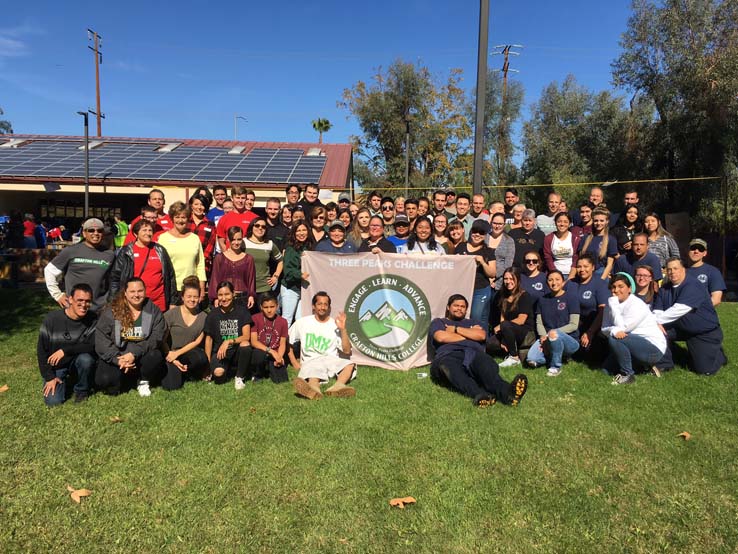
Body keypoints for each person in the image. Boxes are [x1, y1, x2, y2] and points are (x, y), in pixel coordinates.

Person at [429, 294, 528, 407]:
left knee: (488, 373)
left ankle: (509, 394)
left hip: (474, 354)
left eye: (462, 306)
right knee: (451, 369)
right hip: (449, 355)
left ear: (466, 309)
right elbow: (441, 337)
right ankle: (480, 394)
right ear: (448, 307)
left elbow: (481, 335)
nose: (459, 309)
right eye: (456, 306)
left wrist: (455, 330)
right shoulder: (439, 322)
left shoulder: (474, 323)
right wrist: (470, 333)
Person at [653, 257, 727, 376]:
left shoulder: (693, 285)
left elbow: (679, 309)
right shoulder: (664, 289)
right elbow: (657, 310)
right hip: (680, 328)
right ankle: (665, 364)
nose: (672, 272)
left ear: (684, 270)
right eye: (669, 269)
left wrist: (654, 321)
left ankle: (719, 356)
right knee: (654, 331)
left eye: (676, 268)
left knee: (704, 371)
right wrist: (655, 323)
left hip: (703, 332)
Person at [95, 277, 166, 397]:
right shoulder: (112, 310)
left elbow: (157, 336)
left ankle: (143, 380)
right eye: (132, 292)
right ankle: (124, 378)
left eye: (140, 291)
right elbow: (101, 338)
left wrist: (134, 353)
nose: (137, 295)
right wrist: (117, 359)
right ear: (125, 294)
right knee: (106, 382)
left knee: (155, 355)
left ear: (145, 291)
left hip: (141, 355)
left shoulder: (153, 310)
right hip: (118, 356)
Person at [601, 273, 667, 385]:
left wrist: (614, 308)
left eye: (621, 286)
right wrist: (614, 330)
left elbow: (623, 328)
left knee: (615, 339)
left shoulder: (637, 305)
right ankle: (644, 367)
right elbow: (604, 328)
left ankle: (627, 375)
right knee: (605, 371)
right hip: (630, 342)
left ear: (629, 289)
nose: (616, 290)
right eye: (613, 287)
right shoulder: (611, 303)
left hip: (653, 348)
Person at [289, 291, 357, 399]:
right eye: (320, 304)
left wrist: (343, 329)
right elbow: (288, 341)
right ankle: (313, 390)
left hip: (330, 360)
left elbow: (347, 351)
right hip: (311, 360)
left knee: (349, 365)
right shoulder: (302, 323)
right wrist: (294, 362)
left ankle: (337, 387)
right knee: (313, 373)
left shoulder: (334, 324)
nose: (323, 307)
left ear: (329, 308)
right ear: (313, 306)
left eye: (326, 304)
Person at [37, 283, 97, 406]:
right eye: (79, 300)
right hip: (57, 367)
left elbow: (92, 345)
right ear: (70, 299)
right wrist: (49, 377)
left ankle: (82, 390)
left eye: (87, 301)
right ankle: (61, 380)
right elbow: (41, 350)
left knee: (86, 359)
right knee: (53, 402)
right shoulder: (52, 319)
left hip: (77, 362)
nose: (84, 305)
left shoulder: (92, 319)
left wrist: (65, 351)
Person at [44, 217, 115, 312]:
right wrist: (57, 295)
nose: (96, 233)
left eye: (99, 230)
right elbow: (49, 271)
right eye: (91, 230)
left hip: (100, 309)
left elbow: (114, 280)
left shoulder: (109, 254)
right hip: (75, 309)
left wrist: (110, 301)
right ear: (84, 233)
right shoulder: (70, 251)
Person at [109, 219, 177, 313]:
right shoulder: (126, 252)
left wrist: (173, 301)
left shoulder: (160, 250)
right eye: (144, 230)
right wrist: (114, 301)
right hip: (134, 303)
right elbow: (115, 278)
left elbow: (170, 276)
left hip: (158, 303)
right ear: (136, 234)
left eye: (150, 230)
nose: (148, 233)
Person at [526, 270, 581, 376]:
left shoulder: (572, 298)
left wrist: (551, 333)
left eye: (557, 279)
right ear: (547, 283)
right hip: (547, 338)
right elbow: (539, 322)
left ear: (563, 282)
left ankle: (555, 366)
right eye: (550, 280)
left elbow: (574, 325)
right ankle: (555, 356)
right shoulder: (542, 300)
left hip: (570, 340)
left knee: (554, 334)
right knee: (531, 360)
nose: (554, 283)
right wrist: (543, 336)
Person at [204, 280, 254, 389]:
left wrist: (229, 341)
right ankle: (225, 370)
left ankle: (239, 377)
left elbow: (246, 336)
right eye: (220, 295)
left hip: (237, 352)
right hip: (220, 353)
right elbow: (209, 340)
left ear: (233, 294)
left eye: (227, 294)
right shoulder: (212, 315)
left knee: (245, 344)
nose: (224, 298)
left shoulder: (242, 311)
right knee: (219, 375)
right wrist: (207, 364)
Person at [162, 277, 208, 390]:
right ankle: (174, 370)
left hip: (187, 353)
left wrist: (178, 354)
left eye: (195, 297)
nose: (192, 300)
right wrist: (172, 356)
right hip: (169, 353)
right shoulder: (171, 314)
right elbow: (162, 340)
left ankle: (187, 372)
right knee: (172, 386)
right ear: (182, 297)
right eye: (189, 296)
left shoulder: (204, 317)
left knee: (201, 358)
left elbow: (197, 341)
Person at [157, 202, 206, 302]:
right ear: (172, 218)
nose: (180, 220)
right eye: (177, 217)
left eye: (183, 217)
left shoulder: (195, 239)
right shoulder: (163, 239)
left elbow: (200, 265)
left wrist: (202, 288)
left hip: (191, 289)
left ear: (188, 219)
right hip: (170, 289)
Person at [487, 268, 535, 368]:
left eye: (511, 278)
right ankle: (509, 351)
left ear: (517, 279)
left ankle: (514, 357)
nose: (508, 281)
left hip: (524, 330)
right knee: (490, 343)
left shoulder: (525, 296)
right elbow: (502, 317)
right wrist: (503, 334)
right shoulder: (503, 296)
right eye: (505, 278)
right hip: (508, 328)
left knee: (505, 325)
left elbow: (521, 320)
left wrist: (502, 327)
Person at [454, 220, 496, 324]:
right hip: (462, 288)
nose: (477, 234)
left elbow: (492, 273)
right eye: (475, 231)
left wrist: (482, 262)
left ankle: (481, 339)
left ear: (485, 235)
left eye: (481, 232)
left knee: (476, 318)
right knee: (461, 317)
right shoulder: (460, 247)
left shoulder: (488, 251)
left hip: (480, 289)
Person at [570, 253, 609, 357]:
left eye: (586, 266)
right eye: (579, 266)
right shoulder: (571, 283)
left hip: (594, 324)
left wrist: (590, 332)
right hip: (574, 324)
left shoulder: (600, 284)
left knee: (590, 354)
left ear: (593, 267)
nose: (582, 269)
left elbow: (603, 311)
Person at [209, 226, 256, 309]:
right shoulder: (220, 258)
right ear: (228, 239)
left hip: (242, 298)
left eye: (239, 239)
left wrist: (251, 295)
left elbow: (251, 279)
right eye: (233, 239)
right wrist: (215, 297)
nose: (236, 242)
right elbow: (215, 278)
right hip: (224, 299)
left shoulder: (248, 259)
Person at [250, 292, 289, 383]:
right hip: (261, 351)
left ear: (277, 306)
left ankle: (269, 369)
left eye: (272, 307)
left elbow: (282, 343)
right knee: (258, 354)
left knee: (281, 380)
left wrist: (279, 357)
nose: (269, 310)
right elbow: (254, 342)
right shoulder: (255, 318)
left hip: (275, 354)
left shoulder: (283, 321)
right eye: (266, 307)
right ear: (261, 307)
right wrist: (271, 351)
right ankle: (257, 374)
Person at [243, 217, 283, 306]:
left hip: (264, 288)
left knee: (264, 318)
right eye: (257, 225)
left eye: (263, 227)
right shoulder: (243, 242)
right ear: (251, 227)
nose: (260, 228)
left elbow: (281, 261)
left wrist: (275, 276)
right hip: (246, 288)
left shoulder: (269, 244)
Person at [281, 222, 314, 326]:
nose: (301, 233)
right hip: (290, 289)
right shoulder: (290, 249)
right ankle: (283, 342)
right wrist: (299, 275)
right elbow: (288, 271)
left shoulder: (310, 247)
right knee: (287, 319)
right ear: (294, 233)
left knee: (300, 319)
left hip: (304, 290)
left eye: (304, 230)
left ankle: (295, 342)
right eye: (298, 230)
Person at [578, 206, 617, 279]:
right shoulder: (585, 238)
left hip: (601, 274)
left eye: (602, 221)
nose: (598, 223)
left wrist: (602, 279)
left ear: (607, 221)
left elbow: (609, 264)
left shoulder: (611, 239)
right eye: (596, 220)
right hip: (585, 274)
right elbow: (580, 258)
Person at [216, 186, 258, 252]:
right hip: (230, 259)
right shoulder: (224, 219)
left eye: (243, 198)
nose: (240, 201)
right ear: (232, 198)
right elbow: (221, 241)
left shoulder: (254, 218)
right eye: (237, 198)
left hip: (249, 257)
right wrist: (227, 256)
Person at [686, 238, 726, 306]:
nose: (696, 251)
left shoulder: (713, 272)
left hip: (701, 313)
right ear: (688, 250)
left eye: (700, 249)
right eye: (693, 248)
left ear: (705, 253)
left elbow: (716, 299)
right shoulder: (679, 270)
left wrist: (695, 309)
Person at [543, 211, 580, 280]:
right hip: (555, 273)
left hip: (572, 273)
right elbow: (548, 257)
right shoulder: (548, 238)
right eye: (559, 221)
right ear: (555, 223)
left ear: (569, 224)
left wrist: (571, 276)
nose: (562, 224)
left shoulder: (575, 238)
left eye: (565, 222)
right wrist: (555, 275)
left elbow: (576, 258)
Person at [187, 193, 216, 278]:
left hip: (202, 265)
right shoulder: (185, 222)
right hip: (185, 263)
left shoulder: (210, 225)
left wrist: (201, 261)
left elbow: (210, 246)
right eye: (196, 204)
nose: (199, 207)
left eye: (202, 205)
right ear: (191, 206)